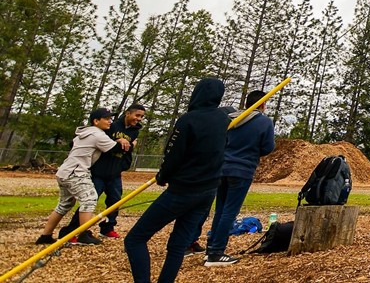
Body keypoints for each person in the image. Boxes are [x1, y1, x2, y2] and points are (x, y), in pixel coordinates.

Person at [125, 78, 229, 283]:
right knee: (178, 246)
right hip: (208, 191)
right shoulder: (224, 120)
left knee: (135, 239)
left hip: (183, 190)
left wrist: (163, 176)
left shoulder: (189, 120)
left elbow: (173, 154)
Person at [36, 108, 131, 246]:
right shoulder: (98, 135)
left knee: (64, 205)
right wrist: (128, 143)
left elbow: (72, 144)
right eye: (106, 119)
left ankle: (45, 236)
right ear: (96, 121)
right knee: (90, 198)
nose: (110, 121)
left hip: (64, 171)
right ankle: (84, 234)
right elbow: (116, 148)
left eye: (111, 118)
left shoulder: (84, 132)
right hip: (76, 173)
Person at [204, 91, 276, 267]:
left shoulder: (232, 119)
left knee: (220, 209)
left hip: (222, 167)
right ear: (263, 105)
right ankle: (216, 253)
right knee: (230, 212)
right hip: (242, 170)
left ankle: (211, 248)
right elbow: (268, 147)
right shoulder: (264, 122)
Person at [60, 104, 145, 240]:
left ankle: (107, 228)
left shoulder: (135, 131)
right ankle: (72, 231)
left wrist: (124, 164)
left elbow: (127, 150)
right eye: (137, 115)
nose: (139, 119)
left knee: (115, 201)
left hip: (115, 172)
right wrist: (117, 141)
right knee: (89, 200)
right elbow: (99, 141)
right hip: (99, 171)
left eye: (142, 117)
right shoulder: (111, 125)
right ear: (128, 113)